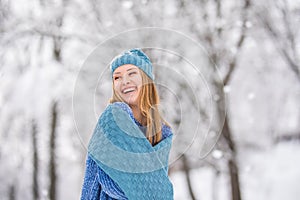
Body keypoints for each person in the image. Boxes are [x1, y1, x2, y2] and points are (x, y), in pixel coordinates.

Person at [80, 48, 174, 200]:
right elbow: (96, 181)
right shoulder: (113, 116)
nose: (125, 81)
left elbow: (160, 191)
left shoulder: (162, 132)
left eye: (132, 73)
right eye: (117, 77)